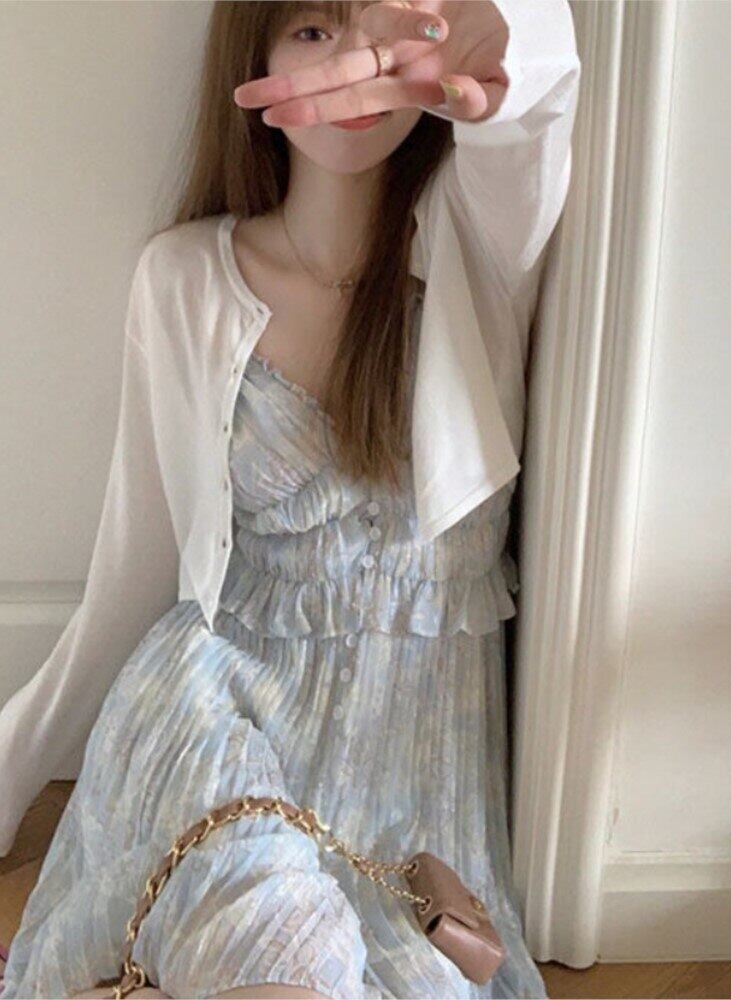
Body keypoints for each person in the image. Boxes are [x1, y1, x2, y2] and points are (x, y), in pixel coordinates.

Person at [0, 1, 581, 997]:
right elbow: (137, 568)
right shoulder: (183, 276)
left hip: (406, 752)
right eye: (315, 29)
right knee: (271, 944)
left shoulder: (472, 249)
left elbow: (533, 112)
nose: (357, 63)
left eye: (386, 32)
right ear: (257, 52)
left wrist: (498, 35)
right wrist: (12, 772)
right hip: (215, 699)